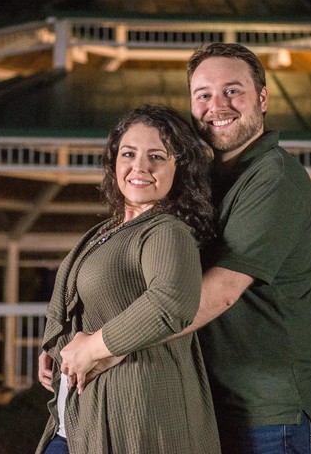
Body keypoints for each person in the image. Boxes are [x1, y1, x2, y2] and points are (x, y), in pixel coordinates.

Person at [34, 105, 221, 454]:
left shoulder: (167, 231)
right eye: (128, 154)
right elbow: (76, 294)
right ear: (114, 162)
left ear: (178, 169)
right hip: (75, 421)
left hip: (135, 414)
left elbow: (170, 304)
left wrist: (91, 347)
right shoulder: (108, 230)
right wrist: (54, 344)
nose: (140, 167)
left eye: (157, 157)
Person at [184, 42, 311, 453]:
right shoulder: (201, 179)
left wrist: (107, 347)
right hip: (218, 403)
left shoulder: (275, 177)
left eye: (232, 90)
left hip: (273, 414)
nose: (217, 105)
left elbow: (221, 291)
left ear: (262, 98)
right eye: (204, 95)